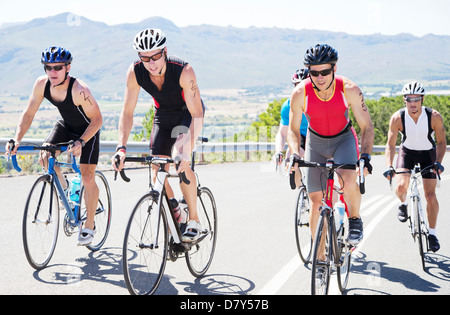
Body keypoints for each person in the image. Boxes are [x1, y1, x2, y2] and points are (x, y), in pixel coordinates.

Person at [112, 28, 204, 242]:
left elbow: (197, 113)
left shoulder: (183, 70)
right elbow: (127, 112)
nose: (151, 62)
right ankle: (174, 210)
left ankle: (194, 220)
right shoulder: (135, 73)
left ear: (164, 51)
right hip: (163, 114)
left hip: (187, 114)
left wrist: (185, 148)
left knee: (181, 161)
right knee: (156, 169)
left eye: (155, 56)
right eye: (145, 58)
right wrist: (121, 147)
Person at [5, 46, 103, 246]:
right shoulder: (42, 85)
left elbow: (97, 120)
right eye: (48, 68)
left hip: (88, 131)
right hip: (66, 126)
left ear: (67, 68)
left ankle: (89, 225)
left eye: (57, 67)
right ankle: (65, 189)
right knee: (45, 155)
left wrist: (81, 141)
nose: (52, 72)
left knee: (87, 176)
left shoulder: (79, 90)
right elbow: (29, 113)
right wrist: (17, 139)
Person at [288, 44, 374, 246]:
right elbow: (292, 130)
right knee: (316, 200)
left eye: (325, 72)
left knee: (347, 179)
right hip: (315, 142)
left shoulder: (350, 89)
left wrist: (366, 157)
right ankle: (319, 262)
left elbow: (367, 126)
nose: (319, 78)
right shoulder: (300, 93)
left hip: (342, 139)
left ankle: (354, 219)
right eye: (314, 73)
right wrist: (294, 154)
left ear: (334, 69)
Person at [384, 81, 446, 252]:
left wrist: (438, 162)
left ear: (422, 99)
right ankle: (403, 204)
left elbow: (441, 142)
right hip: (407, 153)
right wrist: (389, 165)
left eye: (416, 99)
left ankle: (432, 234)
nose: (413, 104)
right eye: (409, 99)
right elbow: (390, 145)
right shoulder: (398, 118)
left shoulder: (434, 116)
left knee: (430, 196)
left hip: (428, 154)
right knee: (401, 186)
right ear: (404, 100)